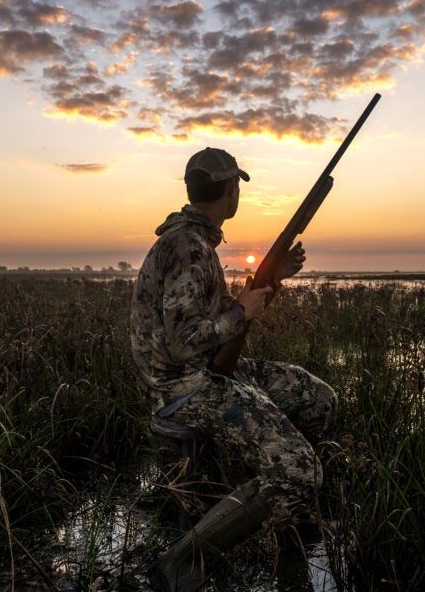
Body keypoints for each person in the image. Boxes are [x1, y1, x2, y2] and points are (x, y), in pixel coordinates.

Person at [130, 147, 337, 591]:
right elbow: (185, 341)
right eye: (235, 187)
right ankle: (179, 563)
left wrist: (270, 280)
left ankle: (289, 518)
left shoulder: (195, 241)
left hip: (205, 372)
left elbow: (214, 319)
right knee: (302, 468)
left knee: (317, 398)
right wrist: (240, 312)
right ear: (229, 191)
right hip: (182, 388)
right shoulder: (187, 246)